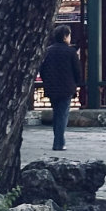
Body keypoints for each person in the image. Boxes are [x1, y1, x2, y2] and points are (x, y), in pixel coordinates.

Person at [39, 24, 83, 152]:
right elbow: (77, 71)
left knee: (57, 113)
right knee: (62, 115)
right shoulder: (70, 52)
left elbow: (42, 70)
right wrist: (77, 83)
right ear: (65, 36)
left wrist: (47, 81)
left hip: (52, 87)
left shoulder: (47, 51)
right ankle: (58, 143)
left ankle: (58, 140)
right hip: (66, 87)